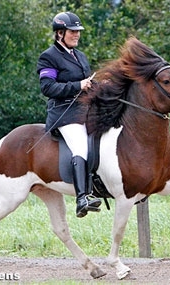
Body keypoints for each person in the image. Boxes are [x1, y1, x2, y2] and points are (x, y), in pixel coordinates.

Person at [37, 11, 101, 218]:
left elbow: (87, 85)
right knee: (80, 146)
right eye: (73, 32)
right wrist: (77, 86)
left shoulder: (80, 56)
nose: (77, 35)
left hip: (85, 111)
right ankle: (82, 197)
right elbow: (48, 88)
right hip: (64, 114)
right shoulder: (49, 57)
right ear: (60, 33)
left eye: (78, 31)